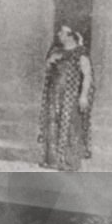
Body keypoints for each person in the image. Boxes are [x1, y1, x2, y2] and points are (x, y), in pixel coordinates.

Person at [39, 24, 95, 171]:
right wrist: (50, 61)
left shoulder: (80, 53)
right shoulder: (56, 51)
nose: (59, 35)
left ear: (71, 35)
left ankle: (70, 162)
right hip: (55, 95)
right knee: (52, 123)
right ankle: (52, 160)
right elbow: (48, 70)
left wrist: (83, 96)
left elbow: (87, 76)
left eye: (62, 33)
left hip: (70, 96)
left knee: (70, 126)